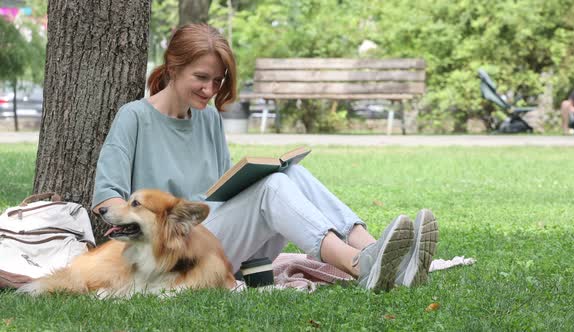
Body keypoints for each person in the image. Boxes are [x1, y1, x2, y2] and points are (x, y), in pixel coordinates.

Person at [91, 23, 438, 292]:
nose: (210, 90)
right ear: (172, 68)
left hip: (217, 239)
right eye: (201, 78)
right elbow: (106, 196)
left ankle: (383, 253)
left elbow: (218, 192)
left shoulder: (208, 117)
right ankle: (360, 266)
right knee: (272, 186)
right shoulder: (133, 117)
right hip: (176, 251)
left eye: (217, 80)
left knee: (291, 175)